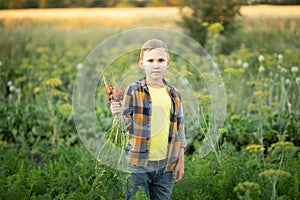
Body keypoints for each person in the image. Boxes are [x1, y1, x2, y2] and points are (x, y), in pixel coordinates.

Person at [110, 39, 186, 200]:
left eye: (160, 60)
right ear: (142, 63)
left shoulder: (174, 94)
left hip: (166, 165)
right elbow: (126, 127)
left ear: (168, 63)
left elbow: (180, 129)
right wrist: (117, 114)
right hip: (138, 162)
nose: (156, 65)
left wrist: (180, 160)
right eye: (150, 61)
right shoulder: (133, 90)